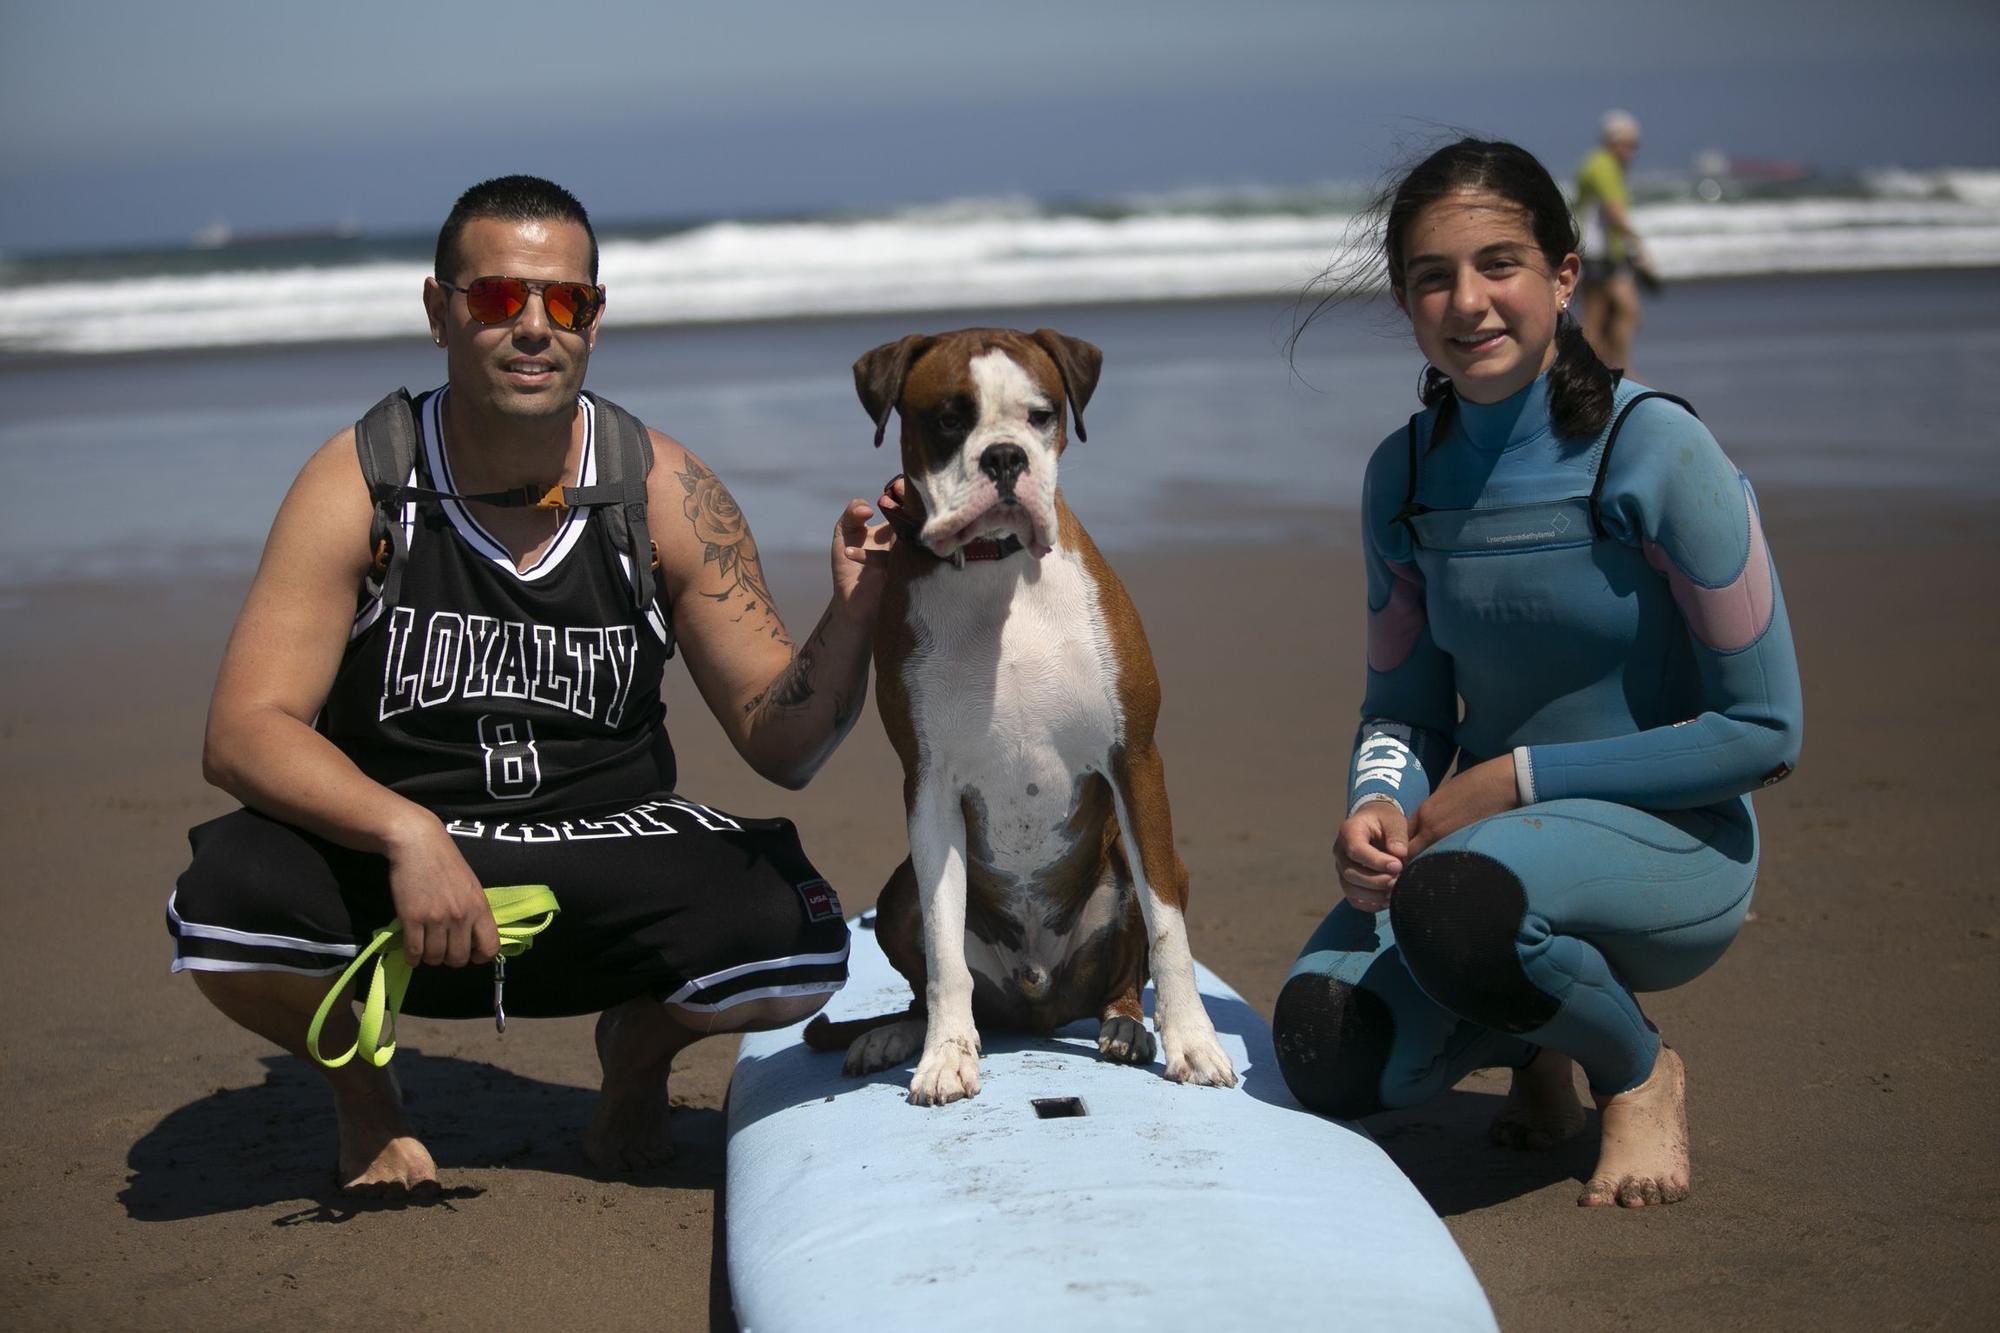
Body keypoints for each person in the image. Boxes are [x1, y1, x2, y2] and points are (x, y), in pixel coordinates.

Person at [166, 175, 896, 1195]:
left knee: (795, 941)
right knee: (225, 909)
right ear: (440, 312)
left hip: (600, 851)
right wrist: (407, 833)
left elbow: (783, 742)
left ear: (596, 320)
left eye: (568, 302)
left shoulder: (661, 488)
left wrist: (854, 612)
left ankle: (636, 1054)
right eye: (500, 299)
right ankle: (364, 1090)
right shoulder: (365, 477)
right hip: (403, 865)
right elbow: (243, 730)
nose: (536, 327)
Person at [1272, 139, 1801, 1208]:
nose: (1466, 301)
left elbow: (1764, 731)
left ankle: (1636, 1070)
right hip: (1476, 856)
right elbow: (1404, 709)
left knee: (1459, 903)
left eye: (1498, 263)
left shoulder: (1654, 451)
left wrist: (1512, 779)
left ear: (1563, 275)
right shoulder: (1403, 476)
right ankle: (1535, 1042)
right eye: (1432, 275)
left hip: (1675, 842)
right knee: (1327, 1043)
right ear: (1405, 298)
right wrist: (1378, 799)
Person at [1573, 109, 1654, 371]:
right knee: (1604, 317)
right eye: (1628, 144)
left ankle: (1610, 368)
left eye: (1635, 145)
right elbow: (1614, 211)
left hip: (1610, 253)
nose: (1632, 152)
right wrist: (1640, 248)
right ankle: (1608, 370)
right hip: (1595, 252)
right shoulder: (1602, 165)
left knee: (1616, 314)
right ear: (1612, 141)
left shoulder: (1609, 167)